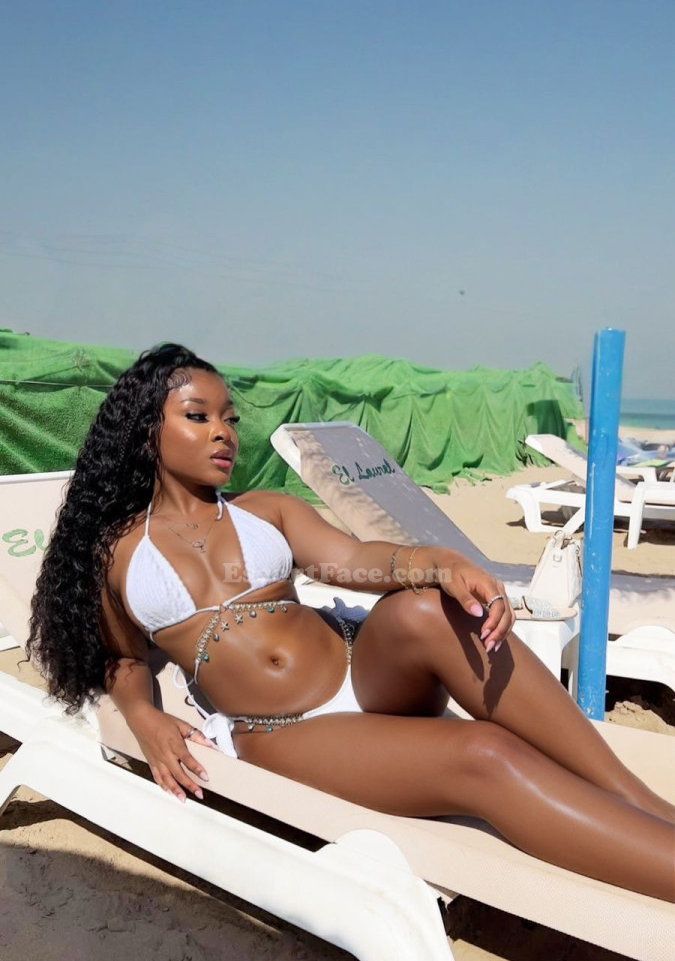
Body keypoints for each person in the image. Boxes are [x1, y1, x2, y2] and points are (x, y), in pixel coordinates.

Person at [28, 344, 674, 901]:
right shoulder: (116, 551)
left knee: (426, 605)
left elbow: (356, 561)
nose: (224, 433)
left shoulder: (266, 510)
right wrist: (143, 717)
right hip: (283, 731)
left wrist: (439, 562)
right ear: (147, 431)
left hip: (364, 670)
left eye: (230, 419)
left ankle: (640, 801)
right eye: (199, 417)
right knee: (485, 753)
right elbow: (123, 658)